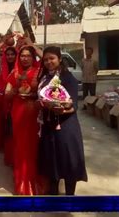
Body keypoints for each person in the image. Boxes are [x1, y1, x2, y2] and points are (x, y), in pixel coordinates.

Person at [37, 46, 88, 195]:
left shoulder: (67, 78)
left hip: (65, 127)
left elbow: (74, 105)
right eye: (45, 59)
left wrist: (62, 109)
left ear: (59, 59)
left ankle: (69, 197)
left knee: (68, 162)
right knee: (51, 162)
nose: (48, 62)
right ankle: (54, 195)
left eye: (52, 58)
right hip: (48, 125)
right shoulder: (44, 77)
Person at [5, 45, 41, 195]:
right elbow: (7, 94)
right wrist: (15, 88)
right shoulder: (15, 73)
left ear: (33, 58)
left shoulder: (39, 71)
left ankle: (35, 180)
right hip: (18, 112)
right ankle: (22, 181)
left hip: (34, 113)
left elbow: (44, 91)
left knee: (34, 145)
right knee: (21, 146)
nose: (25, 58)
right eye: (23, 56)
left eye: (28, 55)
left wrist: (31, 44)